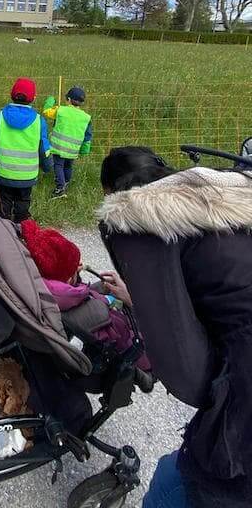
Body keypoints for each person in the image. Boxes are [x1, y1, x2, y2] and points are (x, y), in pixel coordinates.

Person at [97, 146, 252, 508]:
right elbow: (225, 293)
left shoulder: (143, 221)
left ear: (113, 193)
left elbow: (184, 365)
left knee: (173, 488)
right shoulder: (215, 198)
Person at [21, 218, 151, 376]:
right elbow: (135, 344)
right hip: (138, 350)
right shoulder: (97, 313)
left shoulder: (48, 293)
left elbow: (66, 288)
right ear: (68, 278)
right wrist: (132, 302)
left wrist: (74, 279)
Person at [0, 77, 52, 222]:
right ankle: (21, 224)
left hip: (4, 172)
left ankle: (4, 226)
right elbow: (44, 148)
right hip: (27, 175)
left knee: (4, 200)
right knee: (23, 200)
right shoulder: (39, 121)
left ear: (11, 95)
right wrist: (47, 166)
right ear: (33, 98)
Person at [42, 87, 92, 198]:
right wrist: (84, 149)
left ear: (68, 99)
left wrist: (50, 100)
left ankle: (60, 188)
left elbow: (46, 112)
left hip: (59, 147)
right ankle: (66, 182)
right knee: (68, 166)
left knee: (58, 165)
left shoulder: (60, 110)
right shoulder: (86, 117)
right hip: (74, 149)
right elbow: (88, 135)